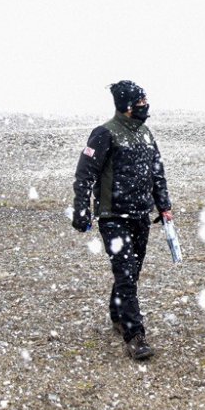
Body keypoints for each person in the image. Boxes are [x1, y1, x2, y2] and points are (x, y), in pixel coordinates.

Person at [72, 80, 172, 360]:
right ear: (127, 105)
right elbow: (84, 174)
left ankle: (117, 314)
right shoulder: (104, 134)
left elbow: (157, 171)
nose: (145, 105)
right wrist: (82, 210)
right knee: (125, 273)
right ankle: (134, 334)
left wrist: (164, 206)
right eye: (141, 101)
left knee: (132, 271)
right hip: (113, 217)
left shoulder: (146, 133)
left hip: (141, 214)